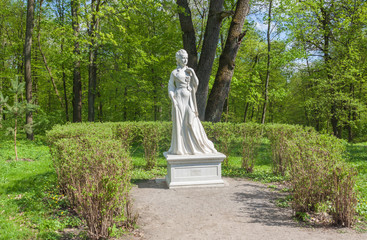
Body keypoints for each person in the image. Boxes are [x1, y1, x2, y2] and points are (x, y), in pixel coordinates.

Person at [167, 49, 217, 155]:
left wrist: (193, 73)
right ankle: (182, 147)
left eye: (186, 58)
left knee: (191, 121)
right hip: (179, 99)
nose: (185, 60)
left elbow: (196, 84)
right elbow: (171, 87)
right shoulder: (174, 73)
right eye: (183, 58)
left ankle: (198, 146)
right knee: (180, 124)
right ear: (178, 59)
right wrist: (172, 98)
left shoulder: (189, 71)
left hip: (189, 100)